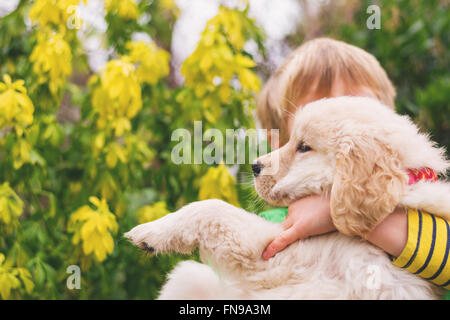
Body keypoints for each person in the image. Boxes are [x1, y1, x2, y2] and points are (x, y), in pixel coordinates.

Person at [256, 38, 450, 293]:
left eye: (355, 101)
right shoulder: (274, 224)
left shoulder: (427, 198)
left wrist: (339, 211)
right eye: (317, 105)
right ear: (280, 142)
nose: (339, 113)